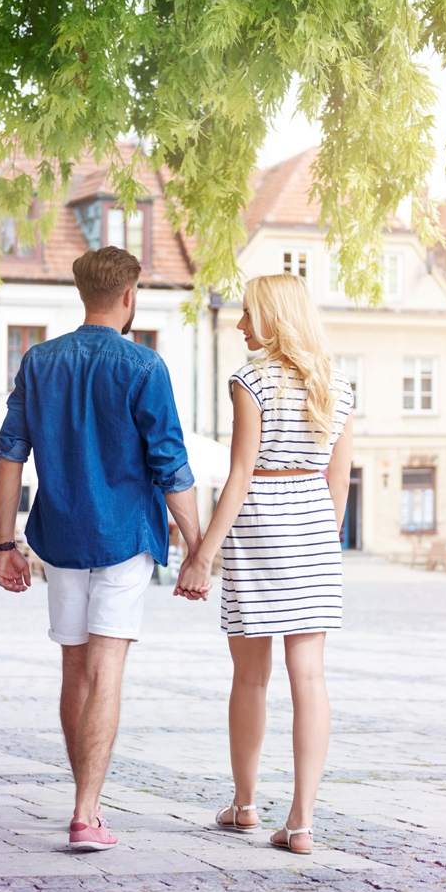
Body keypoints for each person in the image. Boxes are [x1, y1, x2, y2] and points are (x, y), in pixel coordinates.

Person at [0, 245, 206, 851]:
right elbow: (171, 464)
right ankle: (88, 813)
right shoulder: (145, 367)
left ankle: (83, 802)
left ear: (82, 292)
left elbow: (11, 453)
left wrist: (4, 542)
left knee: (74, 667)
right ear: (128, 296)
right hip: (123, 537)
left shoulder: (38, 361)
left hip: (58, 535)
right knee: (107, 667)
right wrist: (197, 547)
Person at [176, 274, 353, 855]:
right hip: (316, 530)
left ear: (274, 318)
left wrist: (204, 556)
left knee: (251, 676)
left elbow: (242, 474)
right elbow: (339, 480)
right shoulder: (337, 383)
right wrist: (324, 537)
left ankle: (246, 804)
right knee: (312, 678)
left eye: (249, 313)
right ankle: (301, 822)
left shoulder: (250, 380)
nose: (241, 323)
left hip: (261, 528)